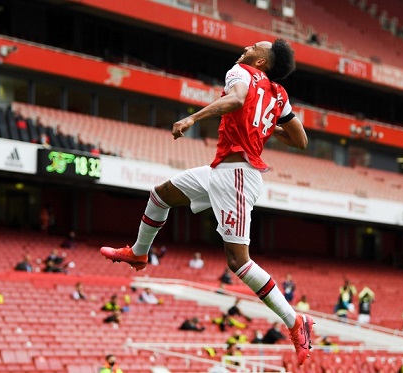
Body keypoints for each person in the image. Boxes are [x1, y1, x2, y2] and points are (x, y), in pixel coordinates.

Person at [99, 39, 313, 366]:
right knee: (160, 195)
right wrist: (267, 126)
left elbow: (238, 99)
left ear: (260, 62)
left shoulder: (240, 71)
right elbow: (301, 139)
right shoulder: (280, 95)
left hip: (238, 174)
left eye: (255, 45)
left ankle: (294, 321)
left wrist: (192, 119)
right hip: (221, 169)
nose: (248, 46)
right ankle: (139, 254)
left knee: (238, 262)